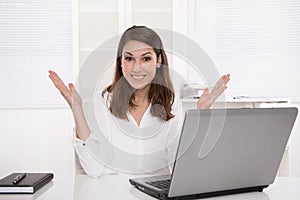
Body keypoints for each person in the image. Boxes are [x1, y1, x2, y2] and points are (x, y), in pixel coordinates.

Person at [49, 25, 230, 177]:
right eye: (129, 58)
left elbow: (179, 166)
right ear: (121, 62)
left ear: (159, 60)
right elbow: (94, 169)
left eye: (146, 58)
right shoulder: (103, 101)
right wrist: (77, 109)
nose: (137, 68)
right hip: (114, 192)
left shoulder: (171, 103)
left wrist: (202, 113)